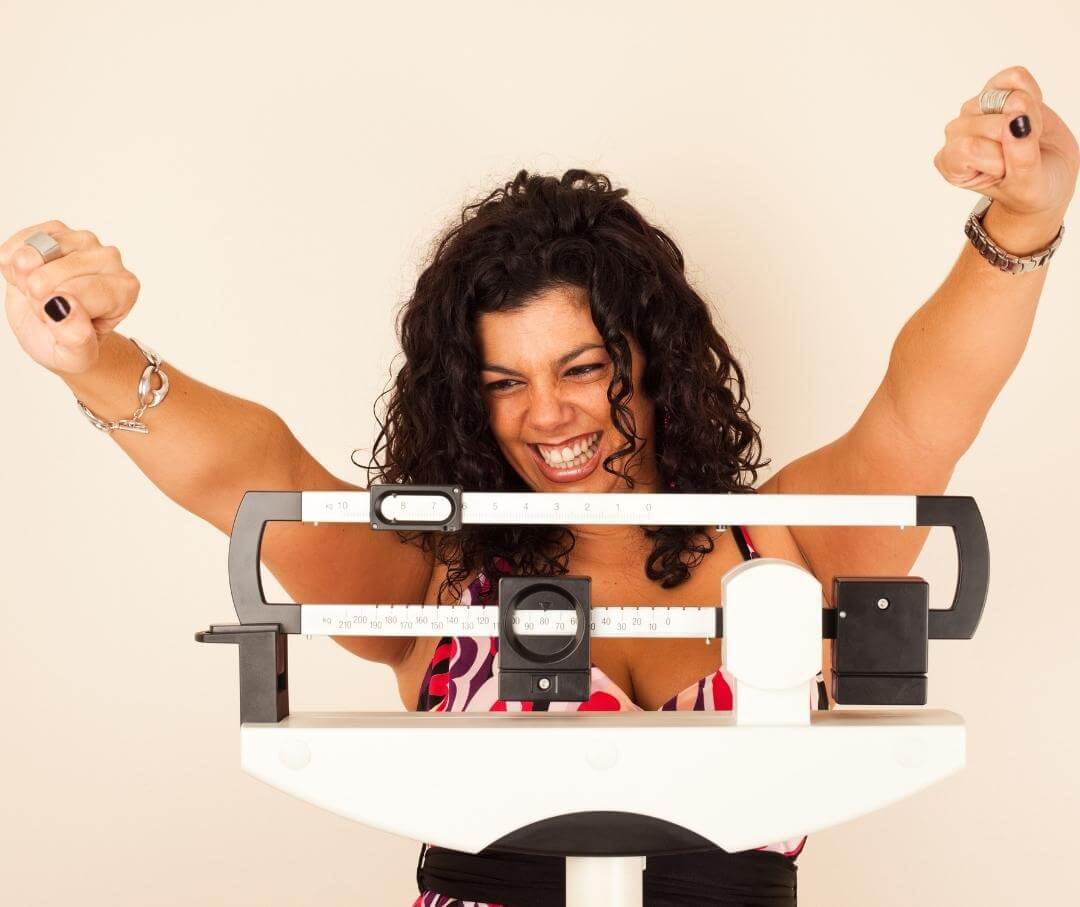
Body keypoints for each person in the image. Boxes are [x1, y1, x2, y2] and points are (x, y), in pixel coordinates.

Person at [3, 65, 1075, 907]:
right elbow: (259, 472)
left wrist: (1020, 224)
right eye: (505, 381)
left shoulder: (788, 544)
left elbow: (922, 407)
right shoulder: (436, 576)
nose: (546, 415)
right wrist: (96, 357)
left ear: (655, 358)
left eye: (582, 368)